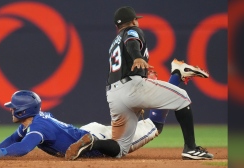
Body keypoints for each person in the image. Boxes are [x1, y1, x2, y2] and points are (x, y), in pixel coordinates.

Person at [65, 6, 214, 160]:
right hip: (132, 87)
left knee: (120, 147)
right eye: (136, 20)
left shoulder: (113, 44)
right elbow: (132, 41)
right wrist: (137, 56)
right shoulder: (132, 30)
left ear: (117, 26)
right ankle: (190, 148)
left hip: (114, 94)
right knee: (182, 98)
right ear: (133, 21)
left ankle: (93, 144)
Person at [0, 90, 158, 160]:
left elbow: (23, 147)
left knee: (155, 126)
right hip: (87, 132)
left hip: (100, 140)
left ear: (23, 111)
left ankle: (176, 76)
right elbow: (14, 138)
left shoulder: (38, 128)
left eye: (14, 107)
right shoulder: (33, 120)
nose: (11, 109)